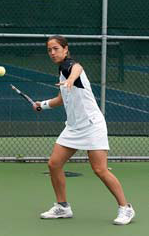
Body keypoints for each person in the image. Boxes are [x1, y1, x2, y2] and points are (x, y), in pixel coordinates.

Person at [33, 35, 135, 225]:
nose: (52, 53)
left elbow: (77, 68)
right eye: (49, 50)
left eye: (56, 48)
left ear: (65, 49)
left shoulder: (69, 66)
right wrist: (43, 105)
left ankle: (126, 208)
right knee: (54, 164)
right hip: (73, 127)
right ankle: (63, 207)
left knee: (100, 169)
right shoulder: (62, 72)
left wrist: (71, 78)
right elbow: (61, 98)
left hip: (91, 126)